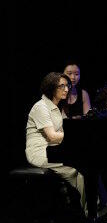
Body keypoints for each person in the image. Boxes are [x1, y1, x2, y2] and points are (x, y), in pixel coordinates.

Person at [25, 72, 86, 211]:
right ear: (51, 87)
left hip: (52, 150)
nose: (66, 89)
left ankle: (96, 205)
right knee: (75, 171)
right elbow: (52, 136)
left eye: (67, 86)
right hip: (39, 153)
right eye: (62, 86)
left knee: (86, 164)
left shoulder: (56, 108)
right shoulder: (41, 107)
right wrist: (73, 136)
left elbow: (64, 130)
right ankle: (90, 211)